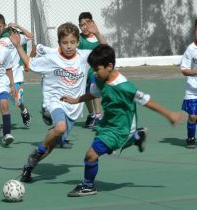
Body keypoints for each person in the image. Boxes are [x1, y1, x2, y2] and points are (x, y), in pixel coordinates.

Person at [60, 44, 185, 197]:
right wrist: (75, 100)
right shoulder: (100, 78)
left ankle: (88, 186)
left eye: (97, 69)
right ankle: (138, 137)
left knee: (91, 155)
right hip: (108, 123)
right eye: (92, 68)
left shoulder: (125, 87)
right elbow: (93, 93)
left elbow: (147, 101)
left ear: (109, 66)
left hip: (122, 128)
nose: (94, 72)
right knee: (99, 150)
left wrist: (169, 115)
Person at [10, 21, 106, 181]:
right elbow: (29, 63)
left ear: (77, 42)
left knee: (51, 145)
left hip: (73, 107)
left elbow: (105, 52)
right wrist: (18, 46)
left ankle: (29, 165)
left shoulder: (83, 57)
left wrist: (97, 34)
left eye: (72, 42)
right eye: (65, 43)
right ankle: (46, 117)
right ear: (59, 43)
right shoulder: (53, 58)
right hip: (54, 99)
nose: (69, 46)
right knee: (60, 128)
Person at [78, 12, 103, 129]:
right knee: (86, 93)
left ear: (92, 24)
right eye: (82, 24)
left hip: (94, 72)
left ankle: (98, 116)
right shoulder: (78, 39)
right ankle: (91, 114)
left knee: (95, 90)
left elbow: (105, 47)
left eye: (87, 23)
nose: (84, 26)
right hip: (82, 72)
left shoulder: (97, 38)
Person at [181, 19, 197, 149]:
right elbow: (184, 70)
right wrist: (195, 72)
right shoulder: (191, 49)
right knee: (193, 116)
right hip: (192, 90)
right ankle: (191, 138)